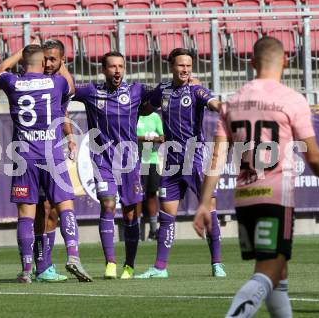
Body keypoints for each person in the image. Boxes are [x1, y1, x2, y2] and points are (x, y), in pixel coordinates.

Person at [193, 36, 319, 317]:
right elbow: (313, 155)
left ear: (252, 63)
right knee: (269, 270)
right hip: (276, 197)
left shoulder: (233, 102)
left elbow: (217, 157)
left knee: (278, 274)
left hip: (245, 199)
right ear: (286, 61)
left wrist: (205, 202)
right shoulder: (291, 100)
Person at [0, 40, 91, 283]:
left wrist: (21, 53)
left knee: (25, 214)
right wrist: (61, 64)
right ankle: (73, 255)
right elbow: (71, 86)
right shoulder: (56, 82)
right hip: (52, 156)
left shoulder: (13, 82)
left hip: (24, 157)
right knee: (65, 205)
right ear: (43, 62)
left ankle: (26, 270)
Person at [136, 48, 226, 279]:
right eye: (181, 65)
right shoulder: (163, 89)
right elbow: (147, 108)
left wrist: (225, 110)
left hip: (194, 157)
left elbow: (213, 102)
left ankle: (217, 264)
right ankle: (160, 267)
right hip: (172, 160)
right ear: (171, 66)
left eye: (188, 65)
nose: (185, 69)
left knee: (210, 209)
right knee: (167, 214)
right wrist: (134, 110)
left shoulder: (196, 90)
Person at [72, 51, 154, 279]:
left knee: (130, 214)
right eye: (112, 67)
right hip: (103, 161)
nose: (117, 70)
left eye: (120, 66)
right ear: (103, 69)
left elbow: (157, 97)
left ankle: (129, 265)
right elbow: (65, 90)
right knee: (107, 206)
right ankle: (110, 263)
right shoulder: (91, 92)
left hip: (128, 163)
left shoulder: (136, 90)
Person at [136, 111, 164, 241]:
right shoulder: (135, 115)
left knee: (152, 194)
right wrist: (150, 139)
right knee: (137, 196)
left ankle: (153, 231)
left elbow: (163, 136)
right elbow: (132, 136)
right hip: (137, 160)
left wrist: (159, 138)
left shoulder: (155, 117)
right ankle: (135, 231)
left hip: (152, 160)